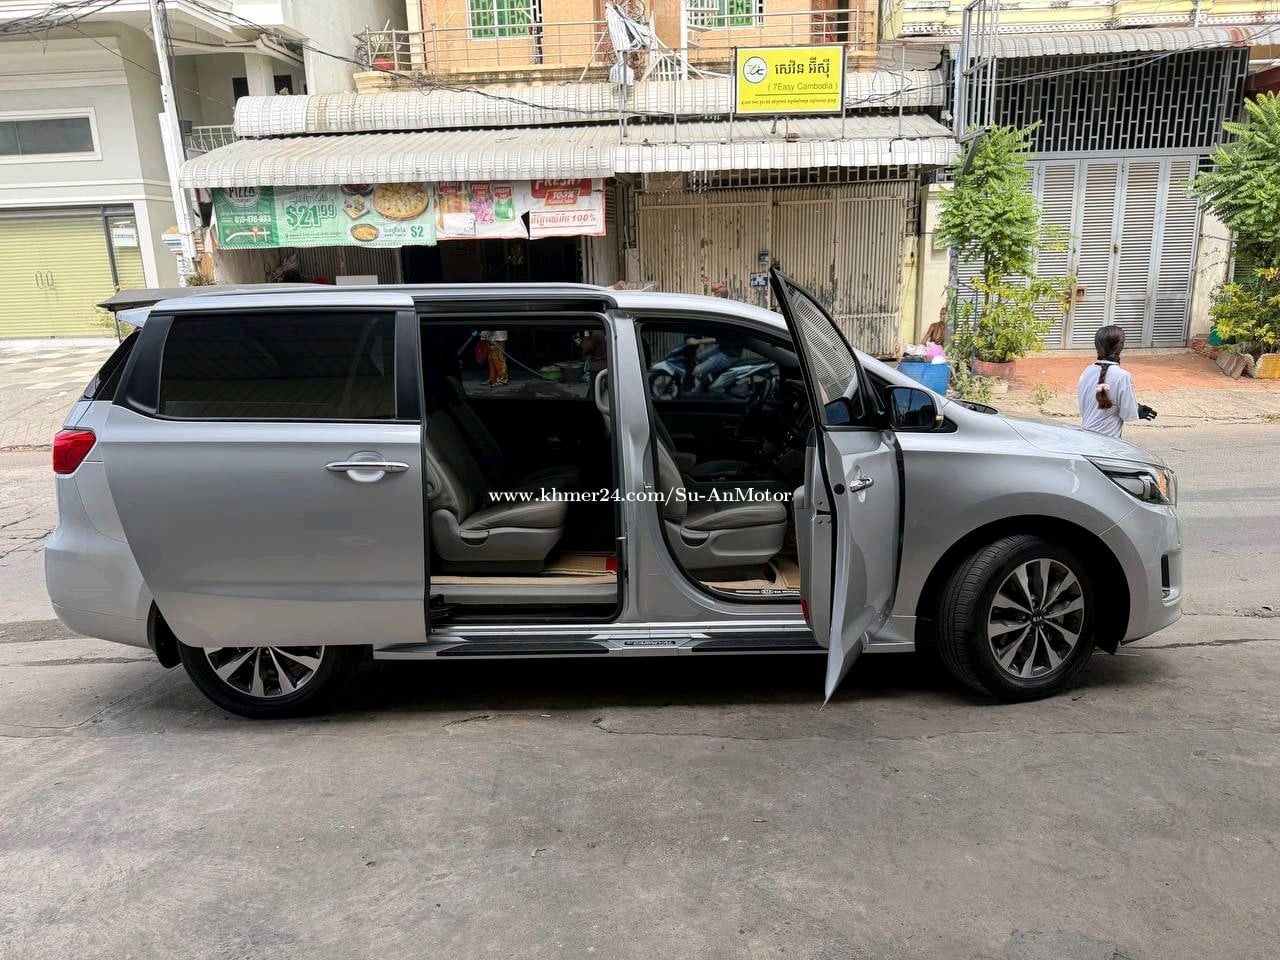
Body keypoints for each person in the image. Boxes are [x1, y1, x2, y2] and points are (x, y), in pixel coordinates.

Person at [1078, 325, 1156, 437]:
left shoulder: (1087, 371)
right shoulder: (1122, 376)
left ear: (1097, 345)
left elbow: (1084, 408)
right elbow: (1127, 414)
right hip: (1108, 441)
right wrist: (1137, 410)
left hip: (1085, 436)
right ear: (1121, 347)